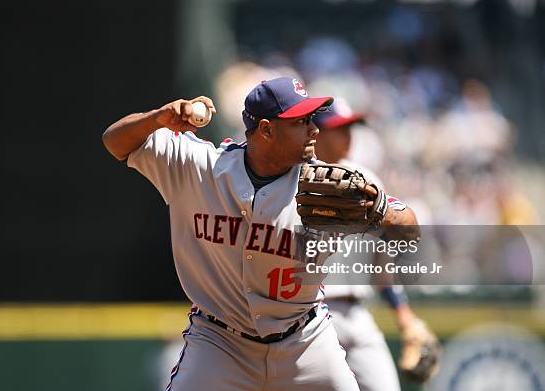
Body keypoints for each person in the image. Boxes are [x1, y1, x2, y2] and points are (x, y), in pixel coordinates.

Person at [102, 77, 417, 390]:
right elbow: (114, 141)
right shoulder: (198, 166)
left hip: (304, 343)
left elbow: (409, 232)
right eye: (301, 121)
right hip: (219, 344)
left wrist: (379, 208)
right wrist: (156, 119)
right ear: (266, 130)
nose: (314, 129)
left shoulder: (327, 186)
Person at [314, 100, 428, 391]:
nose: (348, 135)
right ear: (315, 131)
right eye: (339, 128)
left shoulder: (365, 179)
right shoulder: (293, 178)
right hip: (310, 315)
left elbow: (381, 263)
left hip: (358, 313)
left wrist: (404, 317)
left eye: (350, 127)